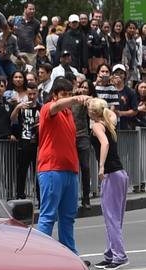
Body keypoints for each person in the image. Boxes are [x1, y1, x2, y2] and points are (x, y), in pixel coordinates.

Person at [36, 77, 90, 255]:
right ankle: (41, 255)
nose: (67, 97)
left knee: (68, 217)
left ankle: (70, 255)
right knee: (48, 216)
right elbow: (55, 107)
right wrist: (74, 99)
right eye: (63, 94)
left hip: (69, 170)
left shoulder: (68, 114)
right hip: (52, 168)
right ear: (54, 95)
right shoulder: (48, 109)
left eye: (69, 94)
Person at [88, 98, 129, 269]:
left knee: (111, 218)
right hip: (120, 174)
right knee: (115, 218)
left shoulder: (97, 125)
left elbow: (104, 143)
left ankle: (119, 255)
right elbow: (111, 113)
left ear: (93, 112)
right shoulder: (108, 121)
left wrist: (101, 166)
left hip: (111, 174)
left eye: (89, 107)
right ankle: (111, 253)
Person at [11, 82, 40, 201]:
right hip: (24, 143)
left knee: (38, 173)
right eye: (29, 94)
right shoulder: (21, 107)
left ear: (37, 93)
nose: (32, 96)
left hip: (37, 144)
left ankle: (40, 197)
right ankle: (20, 195)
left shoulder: (41, 108)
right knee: (21, 171)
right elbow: (12, 119)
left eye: (34, 94)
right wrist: (17, 107)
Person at [72, 79, 94, 209]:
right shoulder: (72, 99)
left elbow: (94, 105)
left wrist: (87, 98)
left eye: (87, 87)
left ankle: (86, 198)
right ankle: (72, 197)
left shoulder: (88, 101)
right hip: (70, 137)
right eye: (82, 87)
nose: (84, 89)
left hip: (83, 136)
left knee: (85, 167)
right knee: (71, 169)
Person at [111, 64, 138, 130]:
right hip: (110, 124)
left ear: (125, 75)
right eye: (116, 73)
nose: (119, 75)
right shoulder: (109, 89)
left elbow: (135, 110)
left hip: (125, 125)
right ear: (112, 75)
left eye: (121, 73)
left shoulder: (131, 92)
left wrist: (120, 113)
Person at [14, 2, 41, 67]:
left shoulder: (36, 23)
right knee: (17, 74)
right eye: (30, 9)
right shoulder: (16, 20)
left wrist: (36, 50)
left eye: (33, 9)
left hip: (30, 53)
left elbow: (36, 37)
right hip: (17, 52)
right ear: (25, 9)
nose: (32, 11)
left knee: (30, 73)